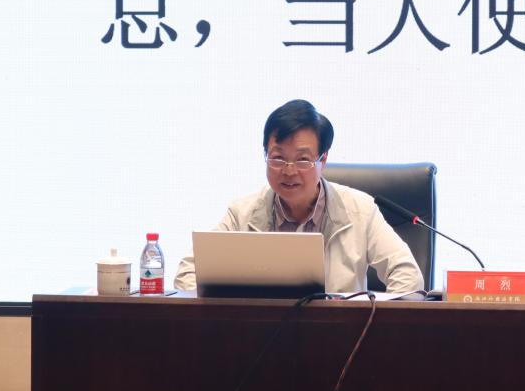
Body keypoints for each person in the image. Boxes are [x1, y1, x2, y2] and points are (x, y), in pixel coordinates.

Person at [174, 99, 424, 294]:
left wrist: (373, 323)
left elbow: (408, 275)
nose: (289, 171)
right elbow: (187, 274)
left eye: (303, 160)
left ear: (323, 160)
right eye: (278, 158)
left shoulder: (360, 211)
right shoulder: (242, 213)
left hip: (341, 338)